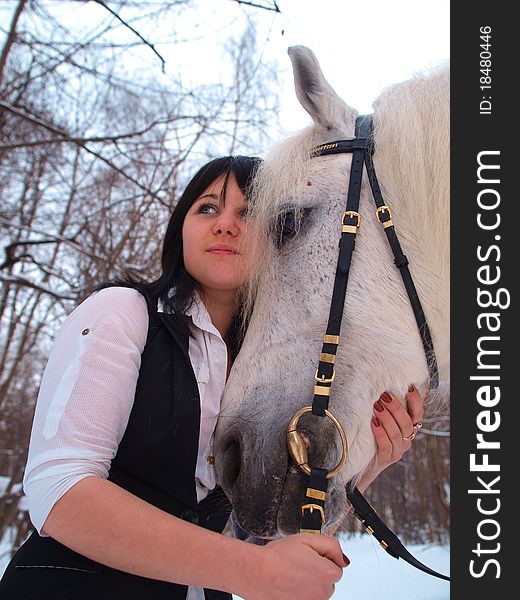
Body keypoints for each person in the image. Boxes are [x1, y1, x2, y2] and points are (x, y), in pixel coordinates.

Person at [0, 155, 425, 600]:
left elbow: (266, 540)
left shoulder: (265, 374)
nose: (225, 225)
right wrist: (253, 570)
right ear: (179, 229)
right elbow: (61, 492)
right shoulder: (123, 312)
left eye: (249, 213)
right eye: (207, 208)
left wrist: (368, 463)